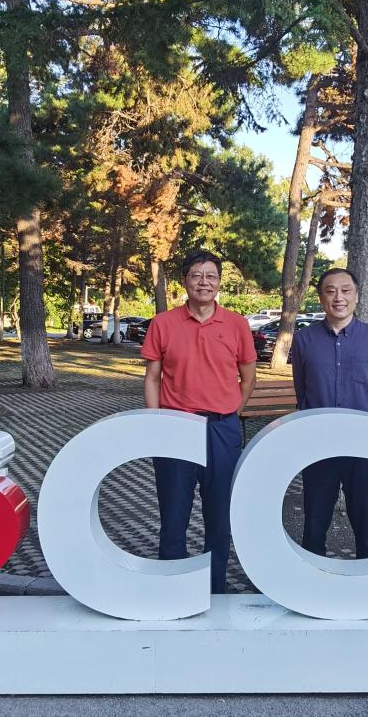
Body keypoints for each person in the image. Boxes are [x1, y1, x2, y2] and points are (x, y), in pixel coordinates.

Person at [140, 250, 257, 593]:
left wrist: (231, 411)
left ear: (219, 282)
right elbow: (152, 378)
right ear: (185, 281)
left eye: (211, 276)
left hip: (222, 429)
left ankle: (215, 587)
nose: (204, 282)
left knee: (219, 515)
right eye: (196, 275)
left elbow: (248, 378)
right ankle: (173, 590)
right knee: (173, 513)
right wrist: (156, 422)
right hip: (176, 427)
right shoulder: (163, 323)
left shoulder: (236, 324)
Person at [290, 267, 368, 559]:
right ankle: (312, 576)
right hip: (318, 444)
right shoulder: (304, 339)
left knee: (366, 522)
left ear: (357, 296)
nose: (339, 297)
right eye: (331, 291)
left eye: (346, 291)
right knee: (314, 520)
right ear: (321, 298)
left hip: (364, 445)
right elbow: (302, 391)